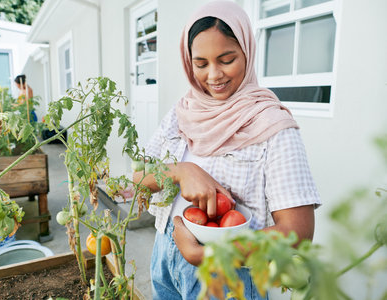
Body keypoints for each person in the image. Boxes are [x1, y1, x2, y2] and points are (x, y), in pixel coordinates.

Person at [132, 1, 321, 300]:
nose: (214, 75)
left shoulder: (272, 125)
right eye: (201, 63)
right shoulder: (183, 111)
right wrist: (182, 171)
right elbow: (138, 178)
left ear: (247, 51)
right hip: (164, 256)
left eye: (227, 59)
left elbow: (297, 232)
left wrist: (209, 256)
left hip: (228, 275)